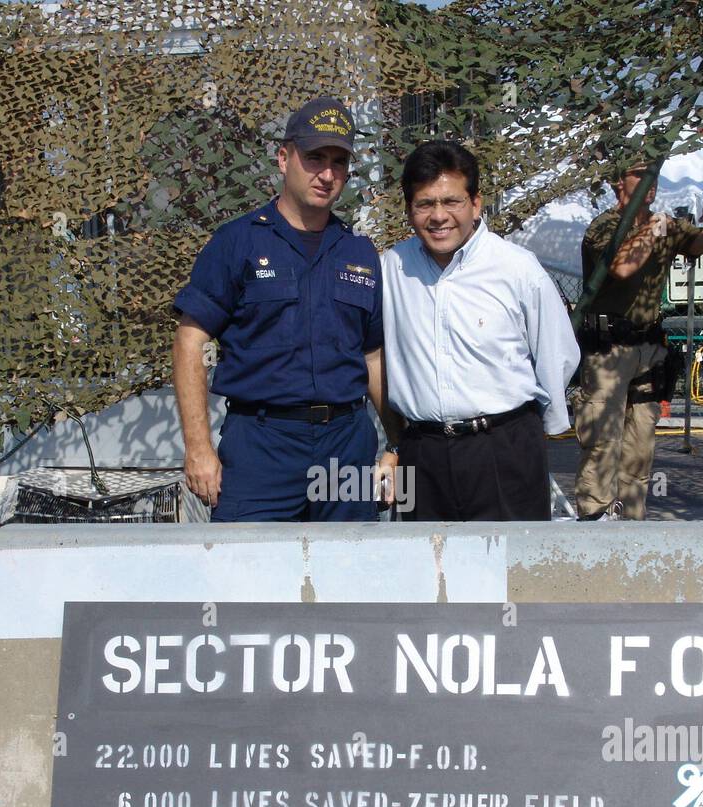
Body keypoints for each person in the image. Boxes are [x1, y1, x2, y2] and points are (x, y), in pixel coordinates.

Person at [172, 97, 384, 521]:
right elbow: (189, 341)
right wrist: (198, 448)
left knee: (350, 575)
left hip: (346, 443)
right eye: (314, 158)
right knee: (247, 577)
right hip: (261, 444)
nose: (327, 174)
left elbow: (374, 355)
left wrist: (396, 446)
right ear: (284, 158)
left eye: (338, 162)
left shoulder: (359, 251)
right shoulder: (237, 242)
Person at [378, 141, 581, 521]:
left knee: (512, 574)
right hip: (423, 454)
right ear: (409, 210)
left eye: (451, 201)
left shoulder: (517, 269)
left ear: (476, 203)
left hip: (504, 449)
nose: (439, 216)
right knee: (428, 572)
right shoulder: (391, 270)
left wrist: (537, 433)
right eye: (425, 204)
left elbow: (557, 354)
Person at [572, 159, 703, 519]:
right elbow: (622, 266)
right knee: (602, 442)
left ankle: (631, 524)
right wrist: (654, 229)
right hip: (608, 351)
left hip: (648, 348)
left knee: (640, 443)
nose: (650, 184)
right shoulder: (607, 226)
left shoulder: (663, 226)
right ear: (619, 184)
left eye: (653, 177)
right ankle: (595, 523)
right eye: (640, 176)